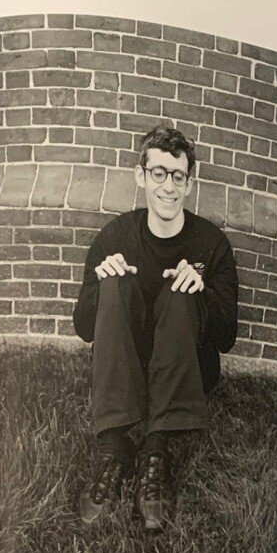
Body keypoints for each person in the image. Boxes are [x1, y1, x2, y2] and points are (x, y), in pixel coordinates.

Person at [71, 124, 240, 531]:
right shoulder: (115, 237)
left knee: (182, 290)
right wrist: (101, 285)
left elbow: (227, 337)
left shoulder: (211, 243)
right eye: (159, 173)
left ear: (189, 184)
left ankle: (155, 453)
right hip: (128, 363)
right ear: (141, 176)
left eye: (178, 176)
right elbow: (84, 327)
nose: (168, 187)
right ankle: (113, 450)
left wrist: (201, 292)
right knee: (114, 281)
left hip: (184, 364)